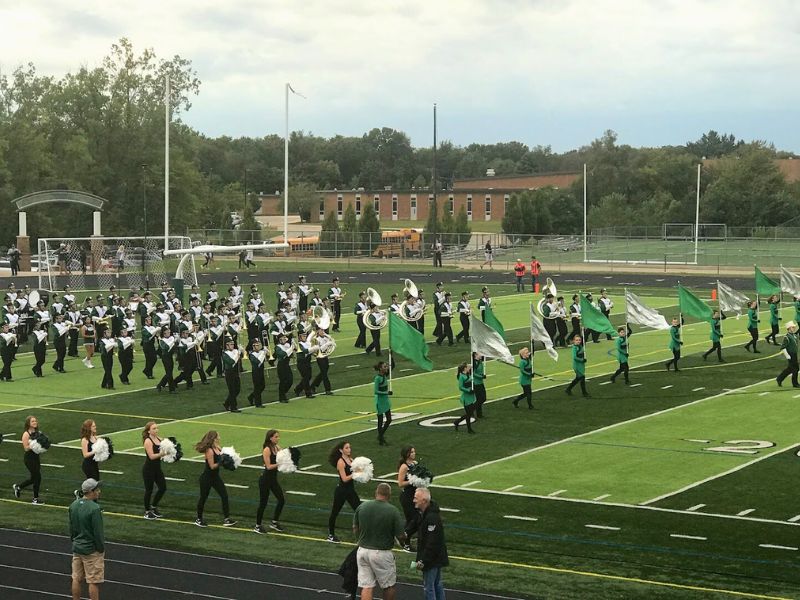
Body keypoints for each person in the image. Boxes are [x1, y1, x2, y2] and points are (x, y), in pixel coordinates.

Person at [353, 483, 405, 600]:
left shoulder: (363, 506)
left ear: (376, 493)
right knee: (388, 586)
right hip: (382, 552)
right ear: (389, 495)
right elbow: (401, 535)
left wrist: (360, 539)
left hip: (362, 550)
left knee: (366, 586)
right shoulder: (393, 511)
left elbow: (355, 528)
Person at [410, 487, 449, 600]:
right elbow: (414, 524)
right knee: (437, 585)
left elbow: (432, 543)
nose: (413, 500)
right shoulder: (425, 514)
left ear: (424, 501)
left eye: (416, 498)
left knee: (429, 587)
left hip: (431, 559)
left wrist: (423, 560)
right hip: (435, 557)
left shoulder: (431, 517)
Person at [69, 478, 105, 600]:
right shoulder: (95, 508)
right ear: (91, 491)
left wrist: (75, 541)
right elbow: (98, 532)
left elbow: (72, 528)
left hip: (77, 547)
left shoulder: (73, 505)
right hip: (91, 550)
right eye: (97, 489)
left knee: (76, 578)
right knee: (93, 581)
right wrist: (100, 548)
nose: (99, 491)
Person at [194, 431, 236, 527]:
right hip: (207, 478)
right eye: (218, 436)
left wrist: (230, 460)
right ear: (213, 438)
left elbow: (224, 456)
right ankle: (199, 519)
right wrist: (221, 462)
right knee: (203, 498)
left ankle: (227, 519)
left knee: (224, 496)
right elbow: (212, 466)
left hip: (215, 477)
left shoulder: (217, 447)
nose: (219, 438)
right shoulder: (209, 450)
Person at [327, 440, 361, 543]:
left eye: (349, 447)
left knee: (360, 511)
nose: (349, 449)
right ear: (341, 450)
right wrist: (355, 474)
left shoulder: (351, 460)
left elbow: (356, 474)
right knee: (335, 512)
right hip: (342, 491)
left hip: (350, 490)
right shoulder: (340, 462)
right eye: (346, 448)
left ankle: (361, 534)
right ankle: (331, 535)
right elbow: (344, 479)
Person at [254, 429, 286, 534]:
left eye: (278, 436)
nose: (278, 438)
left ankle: (274, 522)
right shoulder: (267, 449)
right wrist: (280, 464)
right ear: (270, 438)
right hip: (265, 479)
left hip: (273, 479)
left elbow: (284, 456)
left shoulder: (277, 447)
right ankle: (257, 525)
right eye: (276, 437)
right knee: (263, 502)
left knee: (281, 499)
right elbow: (268, 466)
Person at [13, 415, 44, 504]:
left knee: (34, 478)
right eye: (32, 421)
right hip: (29, 458)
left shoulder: (38, 432)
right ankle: (35, 499)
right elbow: (26, 448)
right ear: (28, 424)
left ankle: (18, 487)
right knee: (37, 477)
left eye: (35, 421)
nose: (35, 422)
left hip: (36, 457)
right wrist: (34, 445)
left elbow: (42, 442)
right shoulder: (26, 434)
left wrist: (43, 446)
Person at [142, 421, 167, 520]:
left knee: (163, 487)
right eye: (154, 428)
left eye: (157, 428)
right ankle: (147, 511)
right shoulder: (148, 441)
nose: (156, 430)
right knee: (149, 490)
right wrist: (162, 454)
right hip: (148, 469)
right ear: (148, 431)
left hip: (157, 468)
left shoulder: (159, 439)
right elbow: (151, 456)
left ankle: (153, 506)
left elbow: (167, 446)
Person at [396, 446, 418, 552]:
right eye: (412, 452)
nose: (414, 453)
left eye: (414, 451)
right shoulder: (404, 466)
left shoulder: (415, 464)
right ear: (407, 454)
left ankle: (405, 541)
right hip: (407, 496)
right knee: (415, 519)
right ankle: (404, 538)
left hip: (415, 495)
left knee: (411, 520)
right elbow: (400, 483)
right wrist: (412, 481)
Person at [453, 362, 476, 433]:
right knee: (469, 414)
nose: (468, 367)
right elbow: (460, 387)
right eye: (467, 367)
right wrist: (468, 390)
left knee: (470, 413)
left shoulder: (468, 374)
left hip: (472, 396)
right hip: (466, 397)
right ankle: (469, 429)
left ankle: (457, 422)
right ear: (464, 368)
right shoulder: (461, 376)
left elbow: (471, 366)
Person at [374, 362, 392, 446]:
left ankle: (380, 435)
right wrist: (386, 393)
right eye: (385, 367)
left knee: (389, 419)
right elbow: (376, 391)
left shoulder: (384, 376)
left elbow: (393, 366)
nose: (386, 368)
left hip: (385, 401)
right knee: (380, 421)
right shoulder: (377, 378)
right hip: (380, 401)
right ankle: (381, 439)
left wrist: (391, 355)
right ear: (380, 368)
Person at [311, 327, 334, 395]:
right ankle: (328, 389)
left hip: (325, 356)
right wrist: (327, 344)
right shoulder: (316, 339)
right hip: (319, 357)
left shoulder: (325, 338)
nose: (323, 331)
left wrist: (330, 340)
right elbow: (320, 349)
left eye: (323, 330)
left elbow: (332, 345)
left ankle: (312, 386)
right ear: (317, 331)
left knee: (323, 372)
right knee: (324, 374)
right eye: (321, 330)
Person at [776, 321, 799, 388]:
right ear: (789, 328)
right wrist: (787, 356)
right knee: (795, 369)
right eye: (792, 327)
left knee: (790, 369)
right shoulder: (787, 337)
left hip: (794, 354)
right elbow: (783, 347)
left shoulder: (794, 335)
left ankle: (779, 379)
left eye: (794, 327)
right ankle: (795, 383)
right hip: (790, 355)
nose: (794, 328)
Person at [222, 338, 242, 412]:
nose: (233, 346)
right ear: (227, 345)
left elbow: (241, 357)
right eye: (231, 344)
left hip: (236, 372)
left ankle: (227, 403)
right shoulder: (225, 353)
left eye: (233, 344)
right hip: (229, 373)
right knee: (232, 390)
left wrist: (241, 351)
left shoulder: (236, 351)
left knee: (237, 390)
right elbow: (231, 362)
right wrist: (238, 354)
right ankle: (233, 407)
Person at [79, 420, 101, 487]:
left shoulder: (95, 437)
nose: (95, 427)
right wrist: (95, 451)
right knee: (92, 484)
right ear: (89, 428)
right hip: (88, 465)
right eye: (93, 426)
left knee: (96, 482)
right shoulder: (85, 440)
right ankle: (81, 493)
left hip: (95, 464)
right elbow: (85, 455)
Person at [156, 326, 178, 393]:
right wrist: (173, 340)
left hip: (170, 357)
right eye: (167, 332)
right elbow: (166, 348)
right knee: (169, 373)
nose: (169, 332)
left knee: (169, 372)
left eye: (169, 331)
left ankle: (160, 385)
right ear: (164, 333)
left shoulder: (171, 338)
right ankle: (171, 389)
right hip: (165, 357)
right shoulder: (162, 340)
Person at [275, 333, 294, 403]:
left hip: (286, 365)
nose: (284, 339)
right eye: (283, 338)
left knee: (290, 380)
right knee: (282, 381)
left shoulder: (287, 345)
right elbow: (283, 354)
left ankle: (284, 393)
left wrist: (292, 346)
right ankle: (282, 397)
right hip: (281, 365)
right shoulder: (278, 347)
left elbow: (290, 355)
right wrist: (290, 348)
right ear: (280, 340)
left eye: (285, 338)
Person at [247, 338, 267, 407]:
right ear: (253, 346)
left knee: (262, 386)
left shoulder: (261, 352)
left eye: (258, 345)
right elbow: (258, 362)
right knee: (257, 387)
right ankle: (258, 403)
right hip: (256, 372)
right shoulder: (251, 354)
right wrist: (263, 353)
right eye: (255, 345)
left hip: (261, 371)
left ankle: (251, 396)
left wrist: (266, 352)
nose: (257, 347)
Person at [471, 352, 487, 418]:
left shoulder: (480, 361)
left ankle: (478, 414)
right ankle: (473, 410)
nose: (481, 354)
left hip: (480, 383)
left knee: (482, 398)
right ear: (475, 355)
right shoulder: (474, 363)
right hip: (476, 383)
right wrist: (481, 377)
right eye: (479, 353)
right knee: (480, 399)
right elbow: (473, 373)